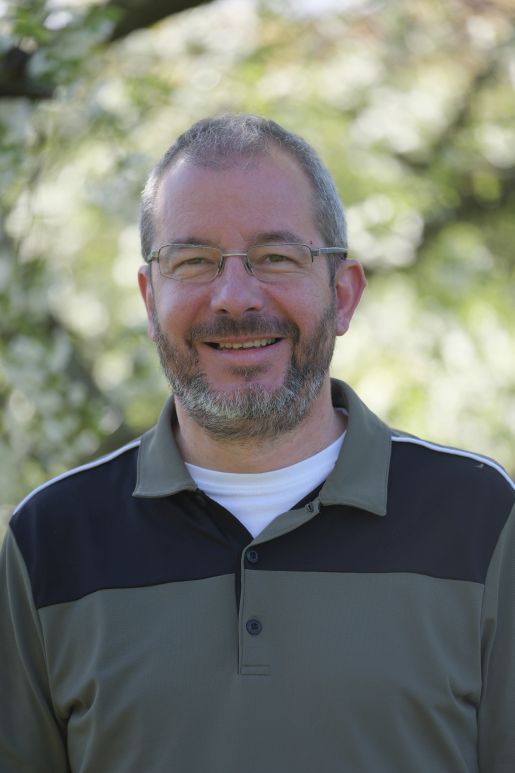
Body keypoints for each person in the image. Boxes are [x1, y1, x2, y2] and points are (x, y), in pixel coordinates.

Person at [1, 114, 514, 773]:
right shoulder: (49, 540)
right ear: (149, 298)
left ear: (343, 293)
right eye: (193, 261)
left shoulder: (481, 520)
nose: (235, 298)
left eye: (276, 257)